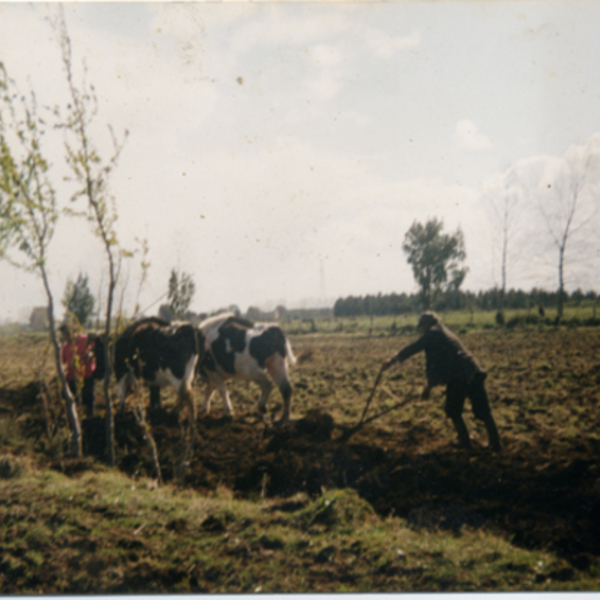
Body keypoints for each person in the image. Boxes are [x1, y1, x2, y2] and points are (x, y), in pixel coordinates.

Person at [381, 311, 502, 452]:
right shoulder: (444, 332)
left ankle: (465, 443)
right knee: (483, 410)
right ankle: (496, 444)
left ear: (426, 324)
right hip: (474, 371)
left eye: (421, 326)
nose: (421, 330)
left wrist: (391, 360)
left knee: (453, 410)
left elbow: (413, 348)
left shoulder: (432, 333)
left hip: (460, 376)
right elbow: (439, 364)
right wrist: (428, 387)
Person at [59, 323, 97, 418]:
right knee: (70, 400)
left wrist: (90, 355)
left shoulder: (85, 340)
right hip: (72, 377)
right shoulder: (65, 347)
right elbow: (64, 362)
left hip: (86, 375)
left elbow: (94, 351)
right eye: (64, 335)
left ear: (73, 332)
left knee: (88, 399)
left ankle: (89, 418)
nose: (66, 337)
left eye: (67, 335)